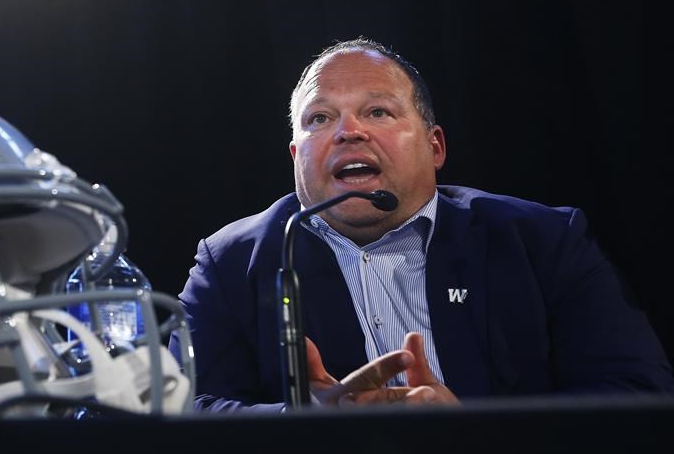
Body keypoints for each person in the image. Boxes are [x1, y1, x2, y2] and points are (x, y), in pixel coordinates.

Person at [169, 36, 674, 412]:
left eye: (378, 111)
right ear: (297, 155)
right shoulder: (233, 261)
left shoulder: (541, 241)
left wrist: (470, 436)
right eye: (320, 119)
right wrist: (305, 422)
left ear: (435, 147)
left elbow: (637, 395)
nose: (348, 132)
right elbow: (178, 411)